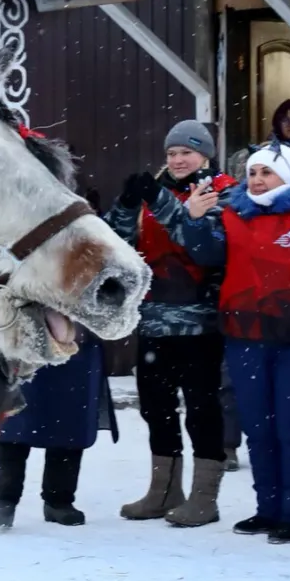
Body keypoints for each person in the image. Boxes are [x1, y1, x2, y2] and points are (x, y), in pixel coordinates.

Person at [172, 142, 290, 544]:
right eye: (252, 173)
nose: (257, 180)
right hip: (245, 338)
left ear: (288, 175)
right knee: (258, 428)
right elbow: (207, 255)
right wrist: (194, 221)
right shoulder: (234, 216)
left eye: (266, 172)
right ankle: (267, 508)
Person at [104, 120, 234, 526]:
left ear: (205, 156)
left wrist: (159, 200)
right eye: (172, 153)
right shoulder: (153, 195)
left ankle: (204, 498)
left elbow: (204, 248)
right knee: (156, 409)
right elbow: (115, 243)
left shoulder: (223, 192)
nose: (178, 160)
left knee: (201, 410)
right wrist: (127, 204)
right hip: (154, 322)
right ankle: (163, 492)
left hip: (201, 325)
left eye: (187, 152)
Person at [0, 332, 114, 530]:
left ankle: (59, 500)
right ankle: (5, 500)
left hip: (75, 346)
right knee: (13, 426)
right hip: (21, 341)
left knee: (69, 426)